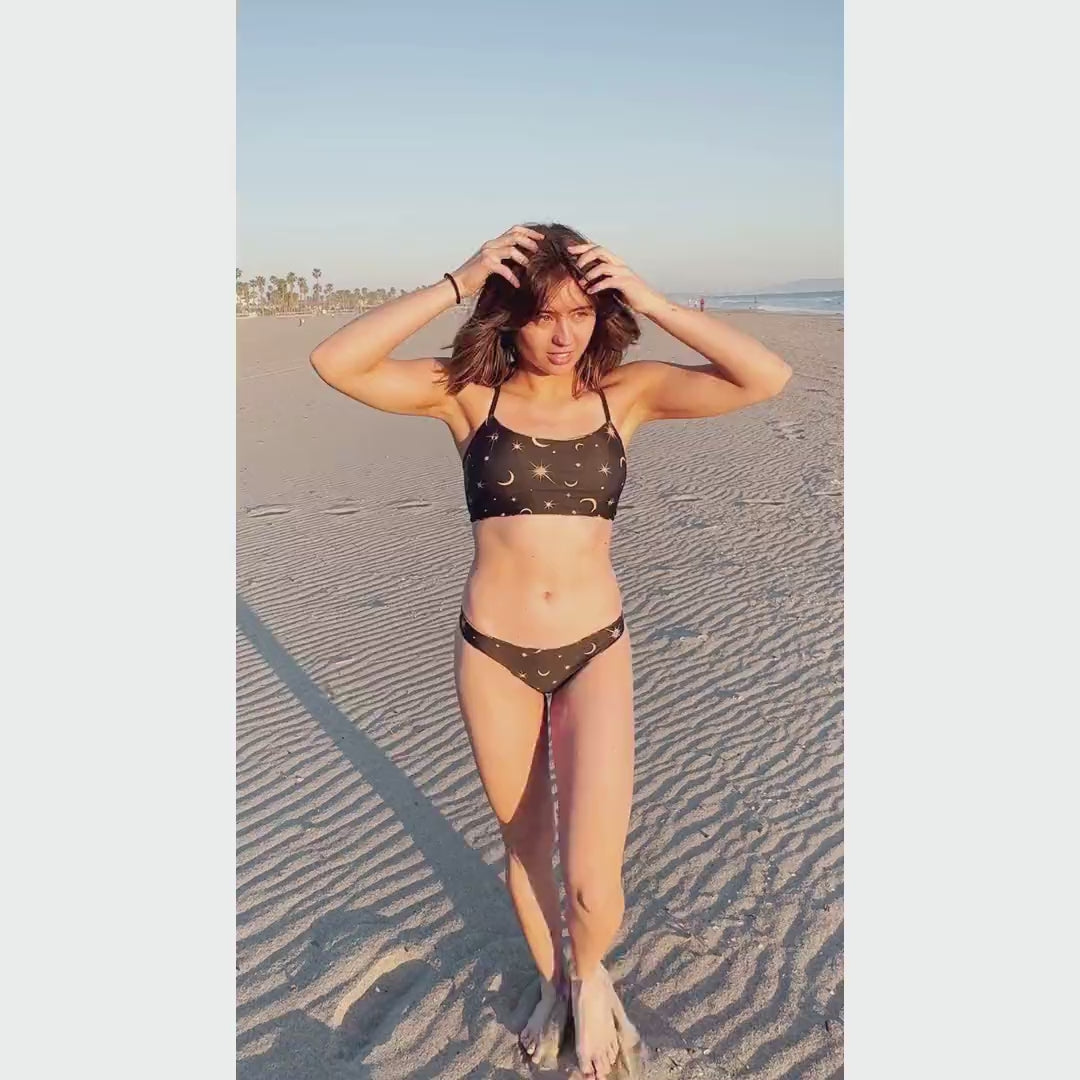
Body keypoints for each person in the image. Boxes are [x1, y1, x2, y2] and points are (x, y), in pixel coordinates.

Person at [309, 223, 792, 1079]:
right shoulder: (466, 396)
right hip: (492, 654)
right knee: (527, 847)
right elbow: (335, 364)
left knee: (593, 887)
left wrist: (650, 300)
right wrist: (455, 283)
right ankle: (557, 986)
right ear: (510, 318)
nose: (562, 332)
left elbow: (767, 377)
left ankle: (593, 969)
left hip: (595, 650)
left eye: (579, 311)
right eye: (540, 314)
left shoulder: (627, 395)